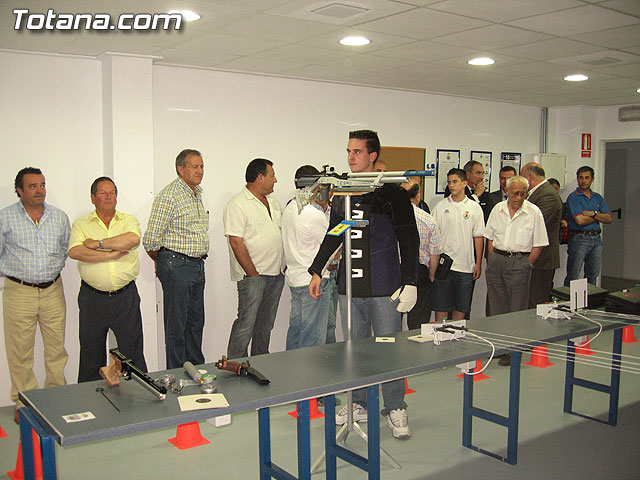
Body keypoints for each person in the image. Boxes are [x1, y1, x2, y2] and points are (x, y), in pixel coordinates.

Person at [308, 129, 419, 439]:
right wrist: (317, 271)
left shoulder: (392, 192)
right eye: (348, 151)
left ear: (372, 156)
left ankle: (395, 407)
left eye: (357, 151)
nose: (351, 157)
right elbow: (335, 233)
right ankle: (358, 402)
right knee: (354, 350)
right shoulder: (344, 192)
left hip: (385, 288)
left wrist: (410, 281)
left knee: (388, 351)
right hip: (351, 288)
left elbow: (409, 237)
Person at [0, 167, 70, 424]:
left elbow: (64, 251)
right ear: (19, 190)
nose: (39, 190)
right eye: (32, 186)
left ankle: (54, 399)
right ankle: (23, 403)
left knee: (56, 349)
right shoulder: (5, 218)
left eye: (41, 185)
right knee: (20, 351)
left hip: (52, 290)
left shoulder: (59, 217)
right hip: (19, 292)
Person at [69, 177, 147, 382]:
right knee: (90, 353)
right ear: (93, 198)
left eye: (112, 192)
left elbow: (132, 240)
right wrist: (110, 254)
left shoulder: (127, 220)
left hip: (125, 297)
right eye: (103, 193)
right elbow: (76, 251)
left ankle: (140, 403)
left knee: (132, 353)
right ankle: (92, 405)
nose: (108, 196)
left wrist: (97, 243)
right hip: (92, 298)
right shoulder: (82, 224)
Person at [143, 149, 209, 369]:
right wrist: (165, 261)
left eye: (201, 166)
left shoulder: (196, 193)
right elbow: (151, 240)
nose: (199, 171)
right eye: (194, 166)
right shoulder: (169, 196)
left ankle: (196, 372)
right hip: (177, 265)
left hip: (197, 266)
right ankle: (178, 377)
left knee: (195, 323)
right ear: (181, 169)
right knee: (177, 326)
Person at [224, 158, 285, 359]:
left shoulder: (274, 203)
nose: (275, 180)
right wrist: (253, 274)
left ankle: (261, 365)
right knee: (245, 325)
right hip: (253, 277)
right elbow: (236, 242)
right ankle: (234, 368)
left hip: (276, 275)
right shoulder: (238, 204)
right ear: (260, 178)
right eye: (272, 175)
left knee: (265, 326)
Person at [484, 175, 548, 365]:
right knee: (497, 307)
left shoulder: (533, 212)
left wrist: (527, 263)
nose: (519, 198)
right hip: (497, 261)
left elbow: (540, 243)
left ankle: (514, 351)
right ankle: (500, 347)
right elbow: (490, 236)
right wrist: (492, 258)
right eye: (516, 193)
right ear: (507, 192)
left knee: (516, 310)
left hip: (519, 262)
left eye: (523, 194)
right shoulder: (498, 209)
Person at [281, 165, 332, 349]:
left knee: (296, 332)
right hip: (314, 282)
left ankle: (293, 375)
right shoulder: (314, 215)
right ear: (316, 185)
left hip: (295, 280)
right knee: (312, 340)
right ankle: (309, 377)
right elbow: (333, 249)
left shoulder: (289, 208)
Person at [432, 168, 484, 322]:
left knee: (461, 307)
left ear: (464, 183)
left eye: (455, 182)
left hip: (465, 266)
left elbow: (478, 237)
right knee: (441, 306)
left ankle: (457, 336)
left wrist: (478, 263)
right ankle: (440, 335)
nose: (451, 186)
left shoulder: (474, 207)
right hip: (444, 267)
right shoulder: (440, 207)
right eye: (449, 182)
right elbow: (433, 237)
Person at [520, 163, 562, 308]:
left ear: (530, 177)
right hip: (532, 258)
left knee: (536, 301)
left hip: (542, 259)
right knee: (528, 299)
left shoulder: (548, 195)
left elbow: (536, 225)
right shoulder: (536, 193)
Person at [402, 182, 442, 329]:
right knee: (418, 322)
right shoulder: (428, 219)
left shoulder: (391, 218)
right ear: (417, 196)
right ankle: (416, 350)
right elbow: (435, 253)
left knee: (391, 322)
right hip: (420, 272)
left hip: (396, 271)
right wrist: (431, 275)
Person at [564, 166, 612, 286]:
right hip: (579, 239)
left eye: (587, 178)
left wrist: (592, 214)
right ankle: (567, 303)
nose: (583, 181)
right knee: (573, 275)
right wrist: (598, 216)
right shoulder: (573, 197)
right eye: (581, 178)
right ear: (577, 179)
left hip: (596, 240)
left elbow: (609, 218)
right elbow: (579, 220)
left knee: (592, 275)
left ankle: (590, 302)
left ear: (592, 179)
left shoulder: (597, 197)